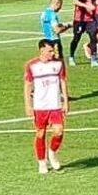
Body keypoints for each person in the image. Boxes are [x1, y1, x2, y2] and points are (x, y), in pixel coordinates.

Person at [24, 39, 70, 174]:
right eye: (50, 50)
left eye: (53, 50)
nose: (53, 53)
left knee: (59, 131)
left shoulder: (58, 63)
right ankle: (41, 162)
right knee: (40, 133)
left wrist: (66, 101)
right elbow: (27, 85)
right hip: (40, 106)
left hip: (55, 105)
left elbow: (63, 82)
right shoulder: (32, 65)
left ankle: (52, 153)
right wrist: (28, 105)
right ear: (42, 50)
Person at [69, 0, 98, 67]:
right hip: (79, 19)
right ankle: (71, 56)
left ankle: (94, 59)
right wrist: (87, 6)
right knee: (76, 38)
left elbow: (95, 1)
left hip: (90, 19)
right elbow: (75, 1)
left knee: (93, 37)